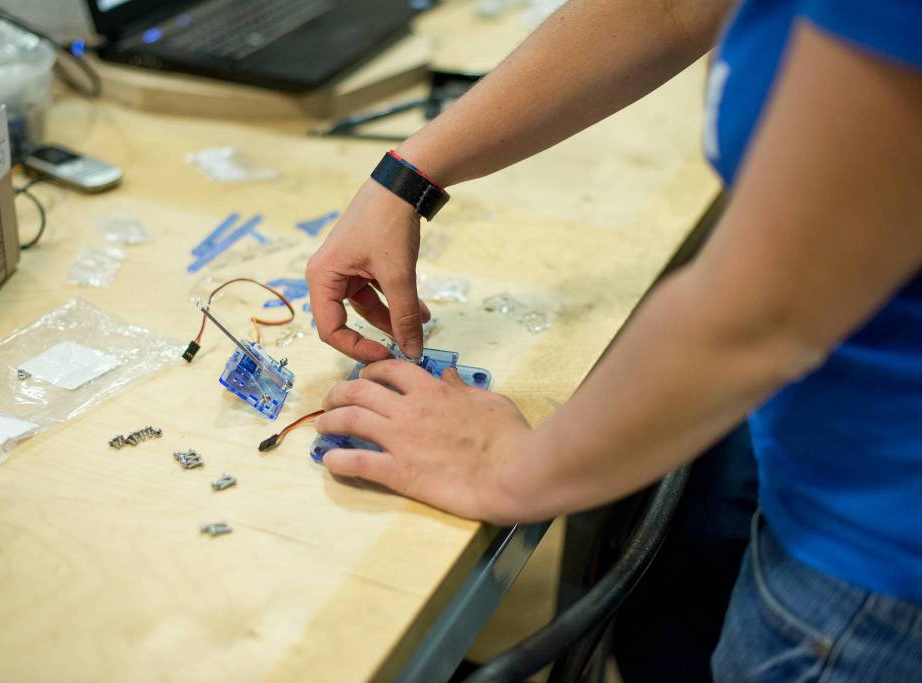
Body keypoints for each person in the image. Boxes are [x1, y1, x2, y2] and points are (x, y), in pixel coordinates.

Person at [305, 0, 922, 679]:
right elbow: (670, 8)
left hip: (879, 571)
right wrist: (408, 176)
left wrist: (511, 467)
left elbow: (762, 315)